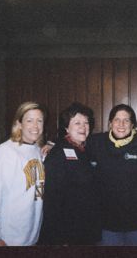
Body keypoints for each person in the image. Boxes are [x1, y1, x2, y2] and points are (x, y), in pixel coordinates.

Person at [0, 101, 46, 246]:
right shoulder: (5, 153)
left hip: (30, 239)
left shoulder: (37, 151)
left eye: (39, 121)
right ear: (19, 124)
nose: (35, 126)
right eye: (29, 120)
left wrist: (50, 145)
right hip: (5, 240)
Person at [87, 104, 137, 246]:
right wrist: (51, 144)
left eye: (126, 120)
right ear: (110, 123)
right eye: (117, 120)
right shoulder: (95, 143)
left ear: (133, 125)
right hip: (107, 225)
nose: (121, 124)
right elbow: (74, 142)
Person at [38, 102, 101, 245]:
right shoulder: (58, 153)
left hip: (87, 229)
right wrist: (59, 238)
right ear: (67, 127)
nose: (83, 127)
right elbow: (51, 199)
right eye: (77, 123)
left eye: (86, 123)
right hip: (67, 233)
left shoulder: (87, 149)